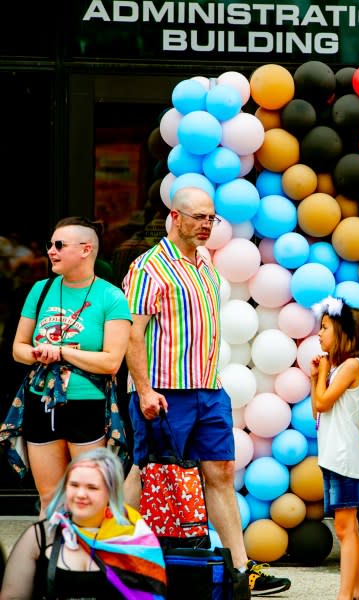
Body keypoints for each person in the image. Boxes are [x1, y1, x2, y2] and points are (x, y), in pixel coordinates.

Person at [121, 187, 290, 597]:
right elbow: (132, 334)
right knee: (146, 473)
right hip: (165, 391)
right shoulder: (149, 268)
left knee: (221, 473)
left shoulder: (206, 265)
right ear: (174, 217)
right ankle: (111, 556)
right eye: (198, 217)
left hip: (209, 390)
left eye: (210, 219)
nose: (206, 226)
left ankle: (238, 569)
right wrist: (143, 389)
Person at [1, 217, 131, 516]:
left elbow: (112, 362)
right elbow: (18, 349)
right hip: (40, 401)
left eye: (59, 245)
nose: (51, 251)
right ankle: (50, 559)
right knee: (49, 496)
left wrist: (59, 352)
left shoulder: (110, 297)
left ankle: (84, 560)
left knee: (89, 497)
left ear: (86, 250)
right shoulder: (41, 290)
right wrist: (39, 354)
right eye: (50, 244)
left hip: (87, 404)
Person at [0, 447, 167, 599]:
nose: (81, 494)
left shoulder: (134, 540)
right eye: (74, 485)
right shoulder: (40, 536)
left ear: (110, 494)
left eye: (92, 488)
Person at [310, 296, 359, 600]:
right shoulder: (339, 369)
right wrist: (316, 377)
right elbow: (318, 411)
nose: (319, 334)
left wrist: (322, 372)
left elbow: (322, 402)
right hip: (335, 456)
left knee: (345, 530)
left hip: (345, 458)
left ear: (346, 334)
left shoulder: (350, 365)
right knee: (349, 529)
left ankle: (345, 596)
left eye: (325, 328)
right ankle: (357, 593)